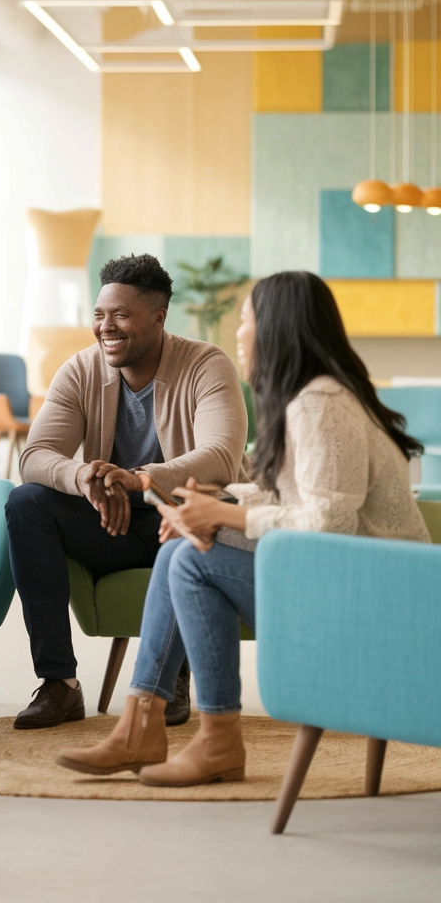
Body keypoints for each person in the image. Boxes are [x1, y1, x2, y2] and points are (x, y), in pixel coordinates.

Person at [56, 271, 429, 786]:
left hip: (375, 609)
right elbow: (292, 497)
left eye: (248, 319)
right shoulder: (313, 398)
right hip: (355, 588)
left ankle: (195, 738)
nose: (239, 332)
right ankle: (163, 730)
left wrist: (223, 515)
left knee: (188, 559)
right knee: (184, 551)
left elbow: (328, 521)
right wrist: (216, 499)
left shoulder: (320, 404)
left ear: (278, 329)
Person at [5, 254, 249, 730]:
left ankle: (170, 679)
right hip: (109, 520)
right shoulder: (79, 370)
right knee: (26, 503)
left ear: (158, 318)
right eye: (99, 315)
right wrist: (85, 479)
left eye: (120, 315)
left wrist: (140, 478)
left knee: (189, 510)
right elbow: (35, 456)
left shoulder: (206, 365)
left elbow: (221, 456)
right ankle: (59, 684)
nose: (105, 327)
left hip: (180, 518)